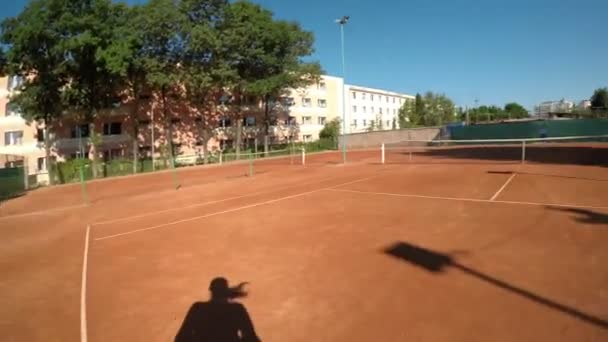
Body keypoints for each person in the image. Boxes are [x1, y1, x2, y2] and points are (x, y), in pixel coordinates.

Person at [175, 277, 261, 342]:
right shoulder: (237, 309)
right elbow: (250, 336)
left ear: (211, 290)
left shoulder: (198, 308)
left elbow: (182, 336)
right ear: (226, 291)